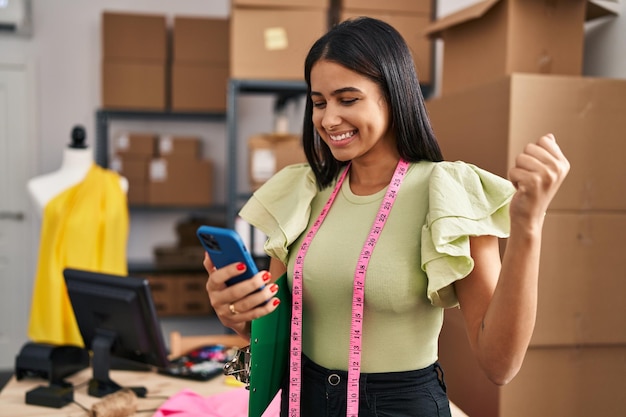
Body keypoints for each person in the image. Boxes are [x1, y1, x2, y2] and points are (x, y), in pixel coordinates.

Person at [204, 17, 570, 417]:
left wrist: (528, 226)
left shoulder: (447, 193)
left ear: (393, 95)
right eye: (320, 102)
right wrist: (237, 314)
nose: (328, 120)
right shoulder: (303, 193)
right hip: (304, 398)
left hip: (400, 405)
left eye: (348, 99)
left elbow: (499, 365)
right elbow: (276, 332)